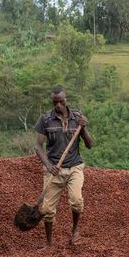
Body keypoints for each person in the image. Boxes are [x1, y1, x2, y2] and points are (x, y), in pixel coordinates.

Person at [33, 86, 93, 248]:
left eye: (61, 101)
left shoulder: (78, 118)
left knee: (76, 201)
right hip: (54, 170)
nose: (58, 105)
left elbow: (89, 145)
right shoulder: (45, 119)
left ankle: (75, 230)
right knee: (47, 210)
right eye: (55, 102)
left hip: (75, 167)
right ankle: (49, 243)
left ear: (66, 100)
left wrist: (84, 127)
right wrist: (48, 165)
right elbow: (38, 147)